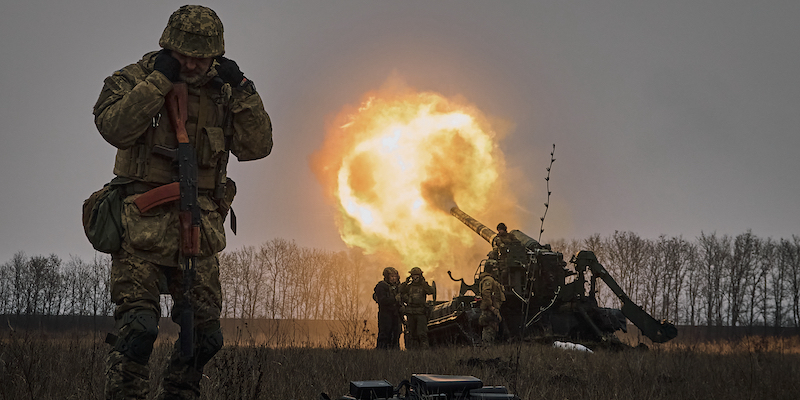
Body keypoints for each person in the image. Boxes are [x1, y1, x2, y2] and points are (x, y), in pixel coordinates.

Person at [93, 5, 272, 400]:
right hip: (141, 230)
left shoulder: (225, 91)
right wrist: (159, 81)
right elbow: (114, 127)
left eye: (201, 56)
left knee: (205, 338)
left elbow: (258, 147)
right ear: (169, 46)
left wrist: (244, 88)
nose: (192, 63)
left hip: (200, 230)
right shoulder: (135, 78)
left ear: (216, 55)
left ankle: (179, 393)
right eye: (184, 54)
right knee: (138, 332)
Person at [399, 267, 435, 349]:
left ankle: (424, 351)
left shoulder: (423, 286)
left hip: (421, 313)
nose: (415, 278)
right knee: (412, 334)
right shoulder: (408, 287)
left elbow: (431, 291)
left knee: (422, 333)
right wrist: (406, 282)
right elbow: (400, 291)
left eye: (417, 275)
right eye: (413, 275)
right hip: (410, 312)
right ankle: (413, 351)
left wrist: (424, 283)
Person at [373, 267, 402, 349]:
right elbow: (382, 300)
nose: (394, 278)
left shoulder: (398, 287)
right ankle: (382, 353)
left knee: (396, 333)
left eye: (395, 276)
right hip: (385, 314)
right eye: (391, 276)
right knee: (385, 334)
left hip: (396, 314)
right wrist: (394, 299)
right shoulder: (381, 286)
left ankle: (395, 352)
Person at [478, 263, 506, 345]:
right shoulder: (488, 280)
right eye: (495, 268)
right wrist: (491, 307)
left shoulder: (492, 280)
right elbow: (486, 293)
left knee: (493, 328)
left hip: (493, 309)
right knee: (489, 329)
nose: (497, 270)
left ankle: (488, 348)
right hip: (490, 310)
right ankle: (486, 349)